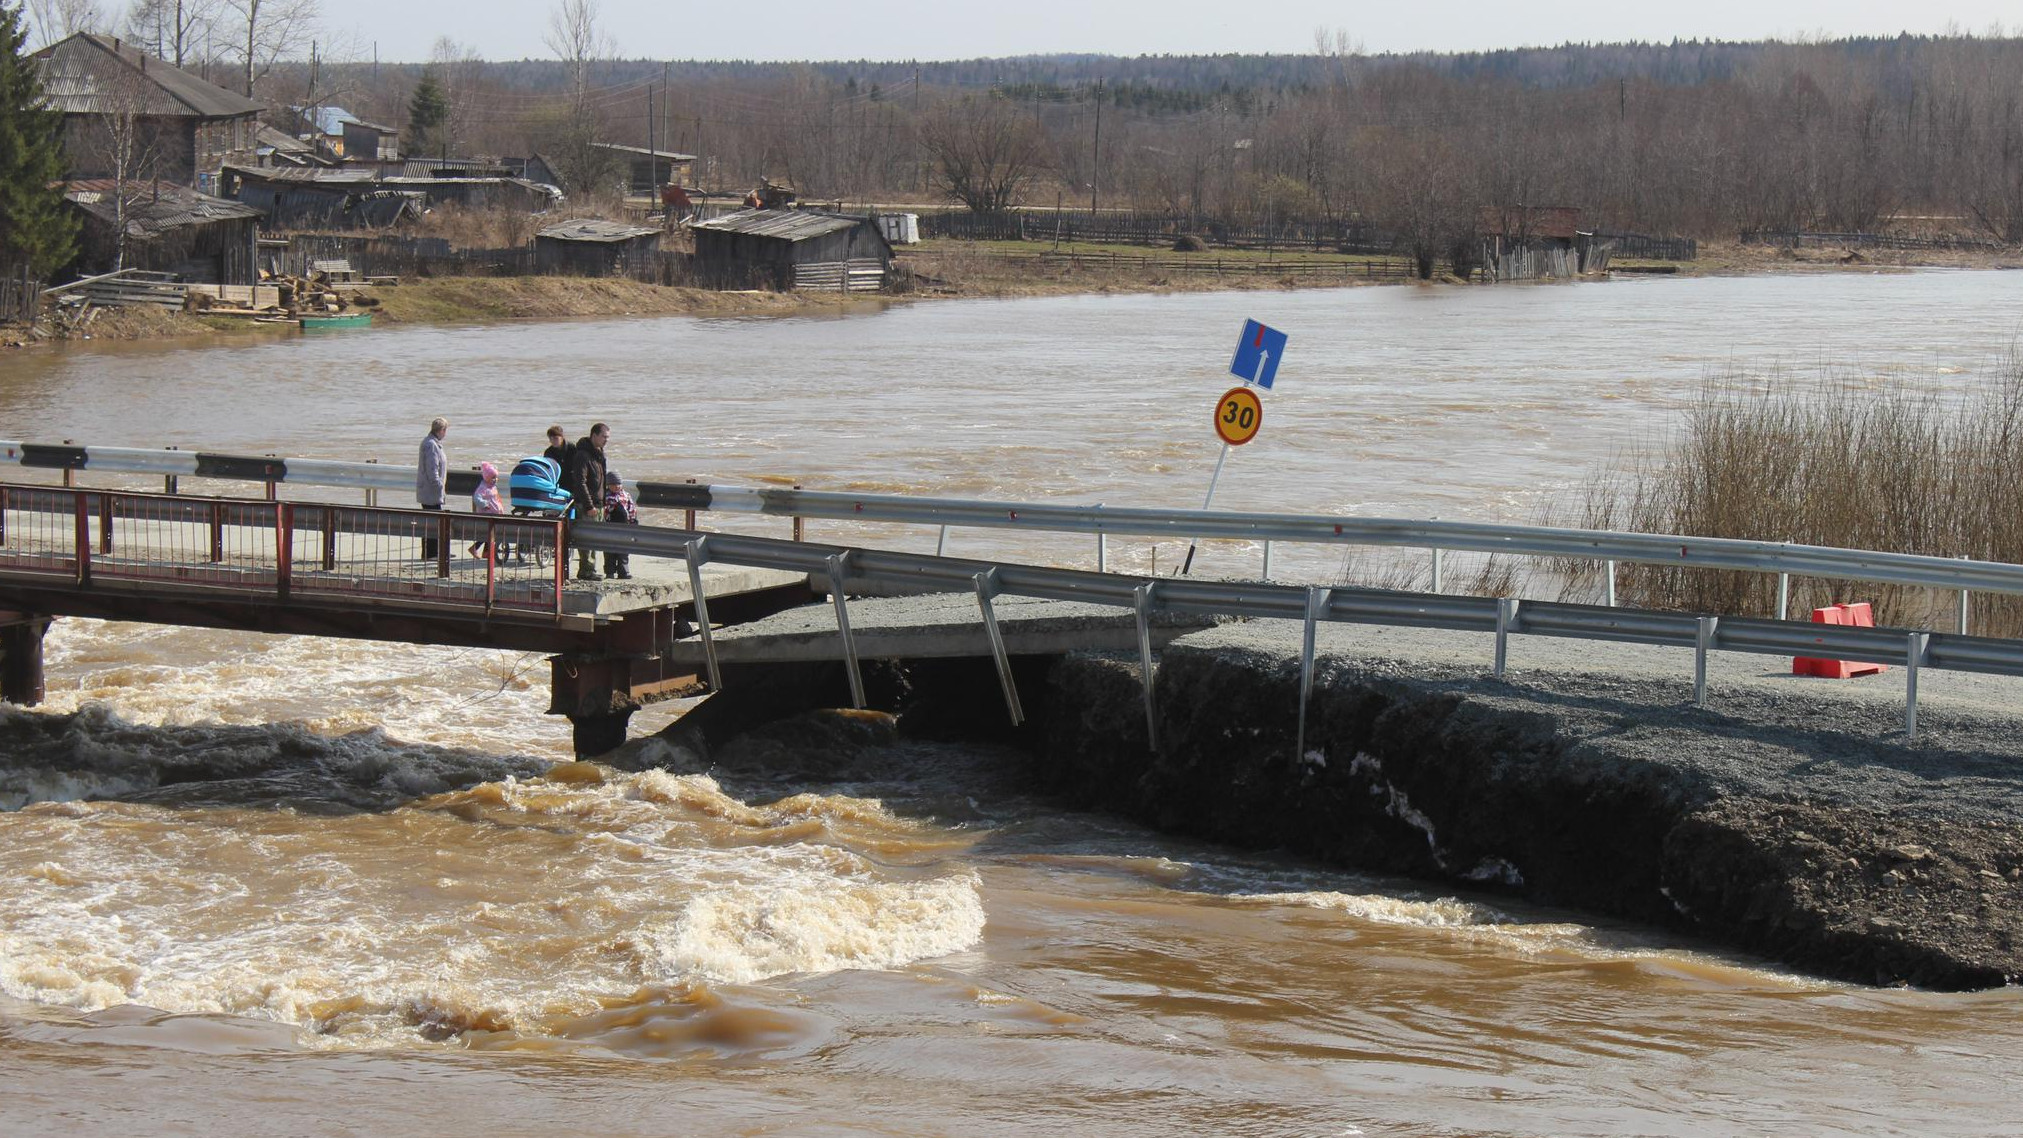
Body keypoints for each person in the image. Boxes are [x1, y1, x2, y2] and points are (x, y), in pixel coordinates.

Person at [507, 454, 574, 568]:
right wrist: (568, 494)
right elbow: (553, 489)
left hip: (518, 499)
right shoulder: (546, 484)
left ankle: (523, 543)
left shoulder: (519, 473)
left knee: (526, 519)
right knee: (554, 513)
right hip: (537, 499)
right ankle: (540, 541)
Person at [567, 422, 610, 581]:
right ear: (594, 435)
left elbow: (601, 480)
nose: (606, 440)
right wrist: (589, 505)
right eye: (604, 437)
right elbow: (580, 482)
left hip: (598, 503)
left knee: (595, 539)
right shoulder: (583, 455)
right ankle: (586, 570)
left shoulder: (599, 453)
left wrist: (603, 502)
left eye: (608, 437)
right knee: (587, 539)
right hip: (587, 504)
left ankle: (589, 569)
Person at [416, 417, 448, 560]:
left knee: (431, 522)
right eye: (445, 430)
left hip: (431, 491)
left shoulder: (432, 442)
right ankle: (431, 553)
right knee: (433, 523)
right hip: (431, 491)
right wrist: (439, 485)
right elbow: (432, 469)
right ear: (441, 430)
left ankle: (432, 552)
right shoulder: (431, 445)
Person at [468, 461, 507, 561]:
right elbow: (476, 498)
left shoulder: (492, 487)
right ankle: (474, 548)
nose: (495, 480)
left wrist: (501, 508)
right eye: (493, 478)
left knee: (491, 533)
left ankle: (486, 552)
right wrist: (485, 504)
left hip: (494, 514)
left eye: (496, 478)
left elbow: (497, 499)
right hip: (487, 514)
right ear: (487, 478)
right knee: (489, 534)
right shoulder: (483, 487)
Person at [602, 471, 637, 579]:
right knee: (609, 550)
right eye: (613, 485)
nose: (617, 487)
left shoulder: (626, 495)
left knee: (624, 550)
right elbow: (604, 511)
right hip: (610, 526)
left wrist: (633, 520)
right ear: (608, 485)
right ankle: (610, 572)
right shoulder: (606, 496)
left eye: (618, 484)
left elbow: (632, 508)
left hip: (624, 526)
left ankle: (624, 571)